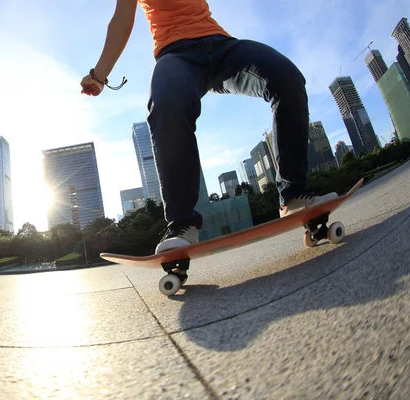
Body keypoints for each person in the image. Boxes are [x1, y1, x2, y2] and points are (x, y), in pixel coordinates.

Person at [80, 0, 337, 254]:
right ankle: (182, 223)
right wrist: (99, 75)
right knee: (166, 101)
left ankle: (293, 196)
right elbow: (122, 19)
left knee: (286, 78)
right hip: (176, 55)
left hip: (223, 47)